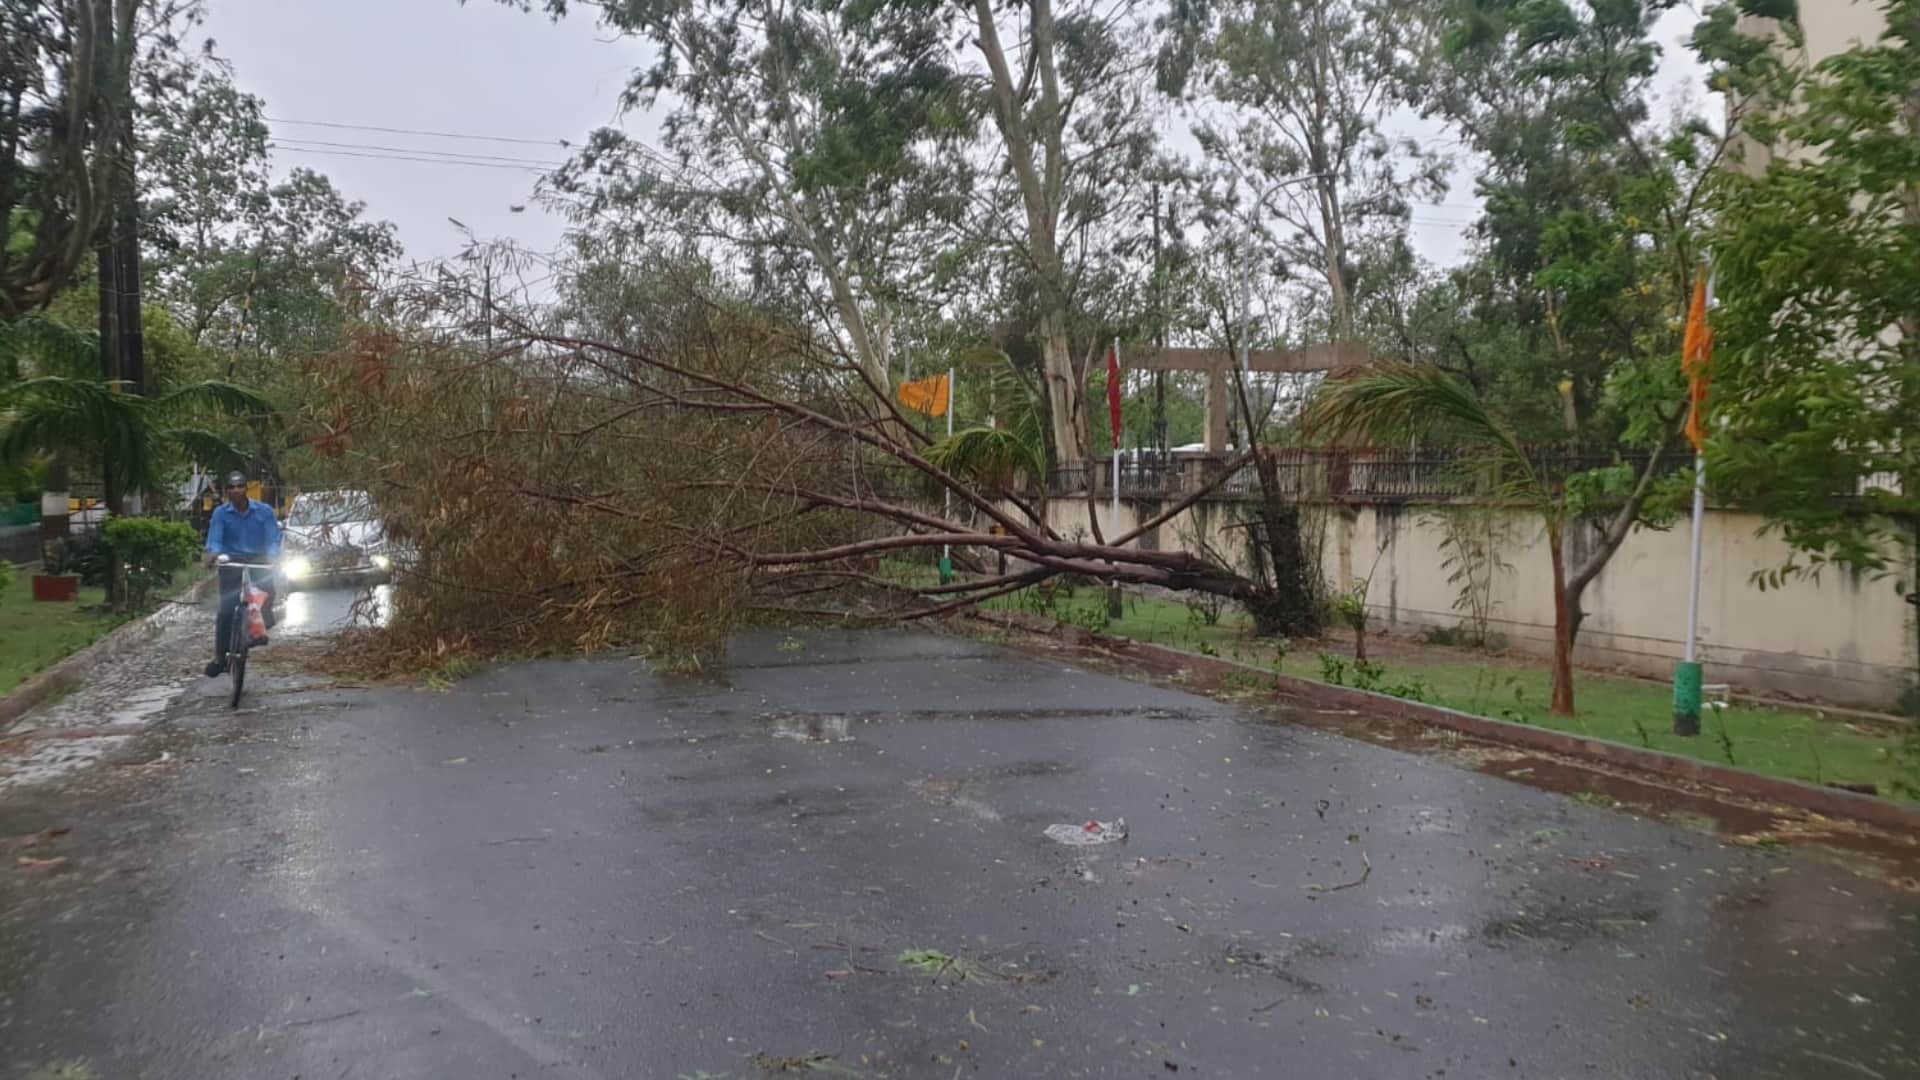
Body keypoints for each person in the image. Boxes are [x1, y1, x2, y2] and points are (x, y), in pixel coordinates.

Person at [203, 472, 281, 678]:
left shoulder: (264, 511)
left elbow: (273, 537)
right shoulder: (220, 513)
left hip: (258, 558)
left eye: (240, 486)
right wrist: (213, 554)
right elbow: (215, 538)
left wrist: (273, 556)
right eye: (231, 487)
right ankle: (221, 658)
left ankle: (260, 627)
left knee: (266, 593)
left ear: (246, 488)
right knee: (226, 610)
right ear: (227, 491)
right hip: (231, 560)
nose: (236, 490)